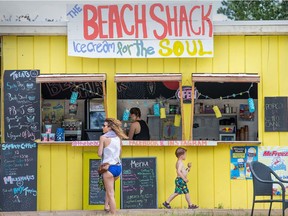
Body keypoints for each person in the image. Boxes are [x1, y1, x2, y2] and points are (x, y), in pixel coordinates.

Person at [98, 118, 128, 215]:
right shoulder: (118, 138)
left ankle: (113, 214)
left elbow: (99, 153)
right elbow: (120, 153)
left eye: (104, 125)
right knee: (109, 188)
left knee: (111, 194)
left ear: (110, 127)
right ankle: (106, 206)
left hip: (108, 168)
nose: (103, 127)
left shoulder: (103, 138)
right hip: (118, 168)